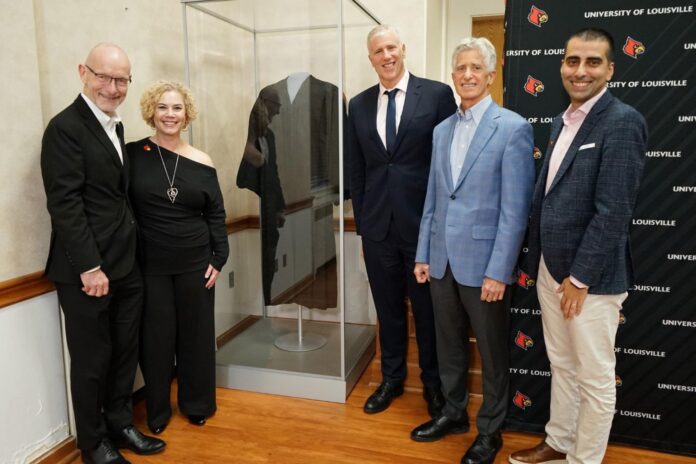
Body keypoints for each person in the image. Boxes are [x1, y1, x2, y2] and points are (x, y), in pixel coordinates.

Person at [509, 28, 647, 464]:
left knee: (595, 377)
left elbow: (613, 212)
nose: (580, 70)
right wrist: (549, 268)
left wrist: (580, 278)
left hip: (589, 280)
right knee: (562, 366)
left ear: (610, 68)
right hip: (552, 269)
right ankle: (559, 441)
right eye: (572, 61)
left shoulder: (622, 122)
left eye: (592, 62)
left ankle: (582, 460)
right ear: (562, 65)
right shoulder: (562, 120)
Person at [410, 38, 535, 464]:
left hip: (485, 268)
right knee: (448, 345)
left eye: (475, 68)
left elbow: (515, 212)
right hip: (442, 261)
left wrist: (500, 271)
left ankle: (491, 430)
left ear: (491, 74)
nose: (467, 75)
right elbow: (433, 198)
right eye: (460, 68)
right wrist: (423, 253)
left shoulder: (513, 128)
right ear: (453, 75)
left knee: (493, 350)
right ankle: (454, 412)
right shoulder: (441, 130)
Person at [40, 43, 165, 464]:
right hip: (86, 269)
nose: (112, 88)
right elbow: (65, 205)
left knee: (124, 351)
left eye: (121, 80)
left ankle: (120, 423)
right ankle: (93, 444)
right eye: (104, 77)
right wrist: (90, 267)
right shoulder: (65, 128)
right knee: (93, 360)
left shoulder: (115, 126)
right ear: (83, 72)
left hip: (125, 264)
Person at [349, 24, 457, 417]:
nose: (386, 56)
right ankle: (391, 380)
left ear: (403, 49)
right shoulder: (358, 105)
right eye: (378, 51)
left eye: (391, 48)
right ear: (371, 58)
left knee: (428, 314)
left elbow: (447, 165)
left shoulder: (437, 95)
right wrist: (363, 227)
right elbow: (357, 170)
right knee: (388, 309)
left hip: (423, 229)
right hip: (378, 230)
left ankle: (434, 384)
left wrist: (441, 226)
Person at [127, 81, 229, 434]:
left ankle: (197, 404)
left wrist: (220, 257)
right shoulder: (132, 155)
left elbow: (216, 213)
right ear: (151, 113)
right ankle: (157, 411)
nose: (170, 115)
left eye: (176, 108)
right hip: (149, 266)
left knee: (197, 338)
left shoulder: (202, 160)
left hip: (196, 264)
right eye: (162, 108)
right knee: (155, 341)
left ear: (187, 115)